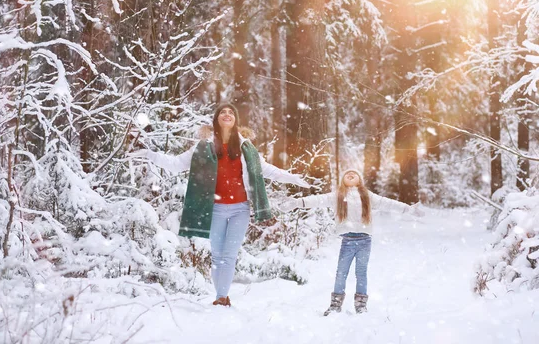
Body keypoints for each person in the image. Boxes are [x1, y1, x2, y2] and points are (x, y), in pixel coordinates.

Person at [131, 103, 310, 306]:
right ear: (216, 120)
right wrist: (149, 155)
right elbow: (175, 165)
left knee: (229, 255)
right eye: (222, 112)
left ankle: (221, 298)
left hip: (240, 209)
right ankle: (222, 296)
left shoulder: (246, 148)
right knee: (217, 255)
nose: (227, 114)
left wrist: (292, 178)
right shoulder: (203, 146)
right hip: (214, 208)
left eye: (231, 112)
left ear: (235, 121)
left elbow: (267, 170)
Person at [284, 169, 422, 315]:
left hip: (365, 241)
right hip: (347, 241)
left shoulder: (367, 195)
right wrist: (296, 203)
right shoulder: (337, 195)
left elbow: (386, 203)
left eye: (354, 173)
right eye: (347, 174)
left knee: (361, 273)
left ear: (359, 179)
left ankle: (361, 306)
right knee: (341, 273)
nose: (350, 174)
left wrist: (408, 209)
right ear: (343, 179)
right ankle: (335, 305)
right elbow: (318, 200)